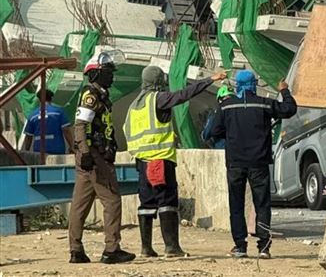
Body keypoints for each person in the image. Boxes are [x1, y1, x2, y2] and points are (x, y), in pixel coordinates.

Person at [123, 66, 226, 258]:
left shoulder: (134, 106)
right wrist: (209, 80)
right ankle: (171, 247)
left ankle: (146, 248)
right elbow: (183, 95)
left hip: (141, 161)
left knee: (146, 204)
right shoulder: (157, 99)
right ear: (158, 82)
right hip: (160, 159)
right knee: (167, 201)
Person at [206, 70, 297, 259]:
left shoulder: (227, 107)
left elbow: (214, 131)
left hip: (235, 163)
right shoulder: (264, 104)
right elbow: (289, 109)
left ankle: (240, 246)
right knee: (262, 204)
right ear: (254, 84)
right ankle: (264, 247)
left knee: (236, 204)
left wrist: (232, 137)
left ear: (237, 85)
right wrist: (284, 91)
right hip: (259, 163)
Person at [68, 52, 136, 264]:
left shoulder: (101, 95)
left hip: (90, 155)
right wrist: (87, 152)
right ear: (96, 74)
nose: (112, 77)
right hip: (94, 156)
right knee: (112, 200)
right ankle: (111, 249)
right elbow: (80, 125)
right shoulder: (92, 95)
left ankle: (76, 250)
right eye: (108, 73)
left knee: (80, 204)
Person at [21, 90, 73, 155]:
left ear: (39, 100)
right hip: (57, 149)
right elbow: (66, 130)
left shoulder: (33, 116)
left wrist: (27, 151)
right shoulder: (58, 112)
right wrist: (72, 146)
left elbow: (28, 137)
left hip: (38, 150)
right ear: (51, 99)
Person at [201, 85, 232, 150]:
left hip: (222, 150)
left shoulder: (215, 114)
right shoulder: (241, 113)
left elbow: (205, 135)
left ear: (220, 100)